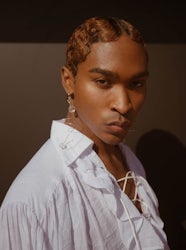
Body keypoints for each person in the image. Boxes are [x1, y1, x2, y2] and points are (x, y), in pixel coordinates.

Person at [0, 16, 170, 249]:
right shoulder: (35, 200)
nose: (124, 104)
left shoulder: (130, 162)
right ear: (69, 81)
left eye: (136, 84)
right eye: (103, 81)